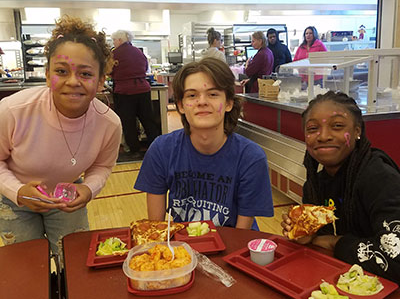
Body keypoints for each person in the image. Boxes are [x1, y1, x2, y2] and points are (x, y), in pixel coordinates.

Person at [0, 15, 122, 258]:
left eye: (86, 74)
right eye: (61, 71)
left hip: (67, 197)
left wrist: (88, 189)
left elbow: (102, 166)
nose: (73, 82)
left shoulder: (109, 123)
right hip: (14, 198)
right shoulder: (13, 111)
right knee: (28, 265)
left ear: (100, 81)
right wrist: (18, 191)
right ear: (47, 75)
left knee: (74, 262)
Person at [134, 57, 274, 230]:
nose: (202, 102)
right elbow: (157, 230)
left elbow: (240, 236)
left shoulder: (251, 157)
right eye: (192, 95)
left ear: (229, 103)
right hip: (184, 250)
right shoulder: (162, 150)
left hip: (233, 247)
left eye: (213, 94)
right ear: (181, 106)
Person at [281, 91, 400, 284]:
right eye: (312, 129)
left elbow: (395, 259)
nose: (323, 136)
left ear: (357, 131)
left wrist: (335, 242)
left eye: (337, 126)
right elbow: (316, 244)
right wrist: (305, 235)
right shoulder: (315, 184)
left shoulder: (379, 177)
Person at [111, 30, 160, 159]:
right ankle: (157, 147)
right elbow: (145, 67)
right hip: (143, 89)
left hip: (125, 91)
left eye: (114, 40)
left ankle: (135, 150)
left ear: (120, 40)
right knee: (148, 120)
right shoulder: (138, 52)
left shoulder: (114, 54)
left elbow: (109, 70)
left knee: (129, 123)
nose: (113, 43)